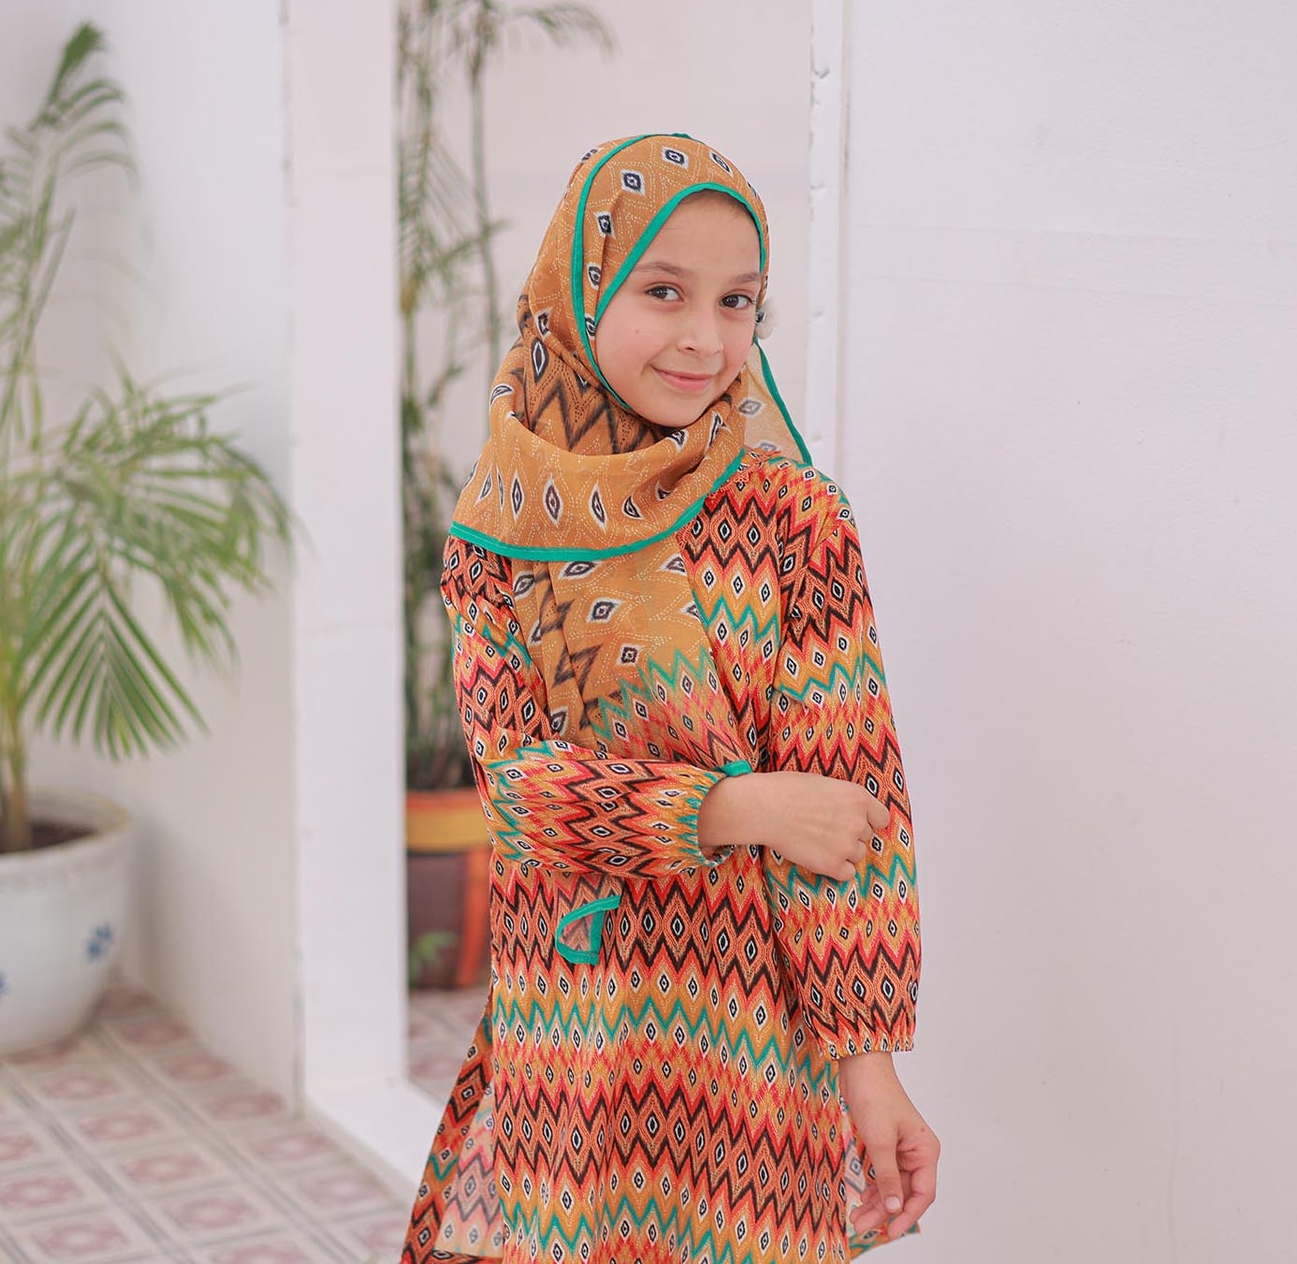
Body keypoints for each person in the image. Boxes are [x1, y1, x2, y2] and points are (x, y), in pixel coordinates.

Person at [401, 133, 937, 1264]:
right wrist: (738, 808)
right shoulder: (500, 531)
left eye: (737, 300)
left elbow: (851, 812)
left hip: (753, 1048)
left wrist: (870, 1064)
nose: (705, 336)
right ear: (579, 289)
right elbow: (519, 797)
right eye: (662, 290)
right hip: (573, 1040)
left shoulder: (794, 518)